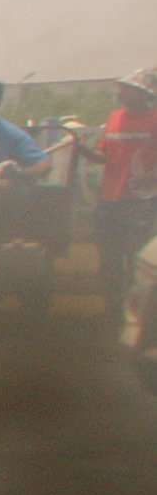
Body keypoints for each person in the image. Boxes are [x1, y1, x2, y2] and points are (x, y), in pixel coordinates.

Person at [84, 70, 157, 318]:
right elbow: (104, 155)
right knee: (109, 258)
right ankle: (114, 310)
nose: (120, 93)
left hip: (142, 201)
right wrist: (84, 151)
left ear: (142, 93)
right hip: (110, 198)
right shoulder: (114, 118)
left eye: (126, 88)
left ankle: (138, 312)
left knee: (136, 257)